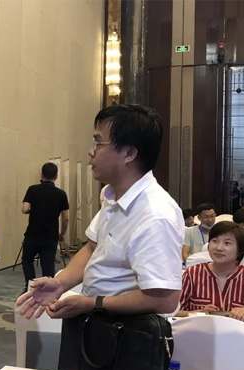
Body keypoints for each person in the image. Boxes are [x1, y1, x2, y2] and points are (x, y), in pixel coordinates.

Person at [17, 104, 183, 325]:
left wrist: (92, 303)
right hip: (97, 322)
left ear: (129, 153)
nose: (91, 151)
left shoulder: (155, 215)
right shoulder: (112, 195)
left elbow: (164, 301)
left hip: (126, 332)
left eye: (98, 143)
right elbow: (92, 247)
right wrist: (61, 283)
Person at [176, 222, 244, 322]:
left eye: (227, 243)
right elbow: (173, 311)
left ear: (240, 250)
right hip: (200, 329)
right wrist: (198, 313)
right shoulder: (192, 274)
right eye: (215, 241)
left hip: (238, 331)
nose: (218, 248)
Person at [20, 162, 70, 291]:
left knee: (27, 260)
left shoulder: (32, 189)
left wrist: (34, 210)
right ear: (56, 176)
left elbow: (24, 209)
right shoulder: (61, 194)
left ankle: (30, 287)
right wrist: (62, 234)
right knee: (48, 265)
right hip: (50, 235)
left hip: (33, 233)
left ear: (42, 174)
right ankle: (47, 290)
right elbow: (66, 218)